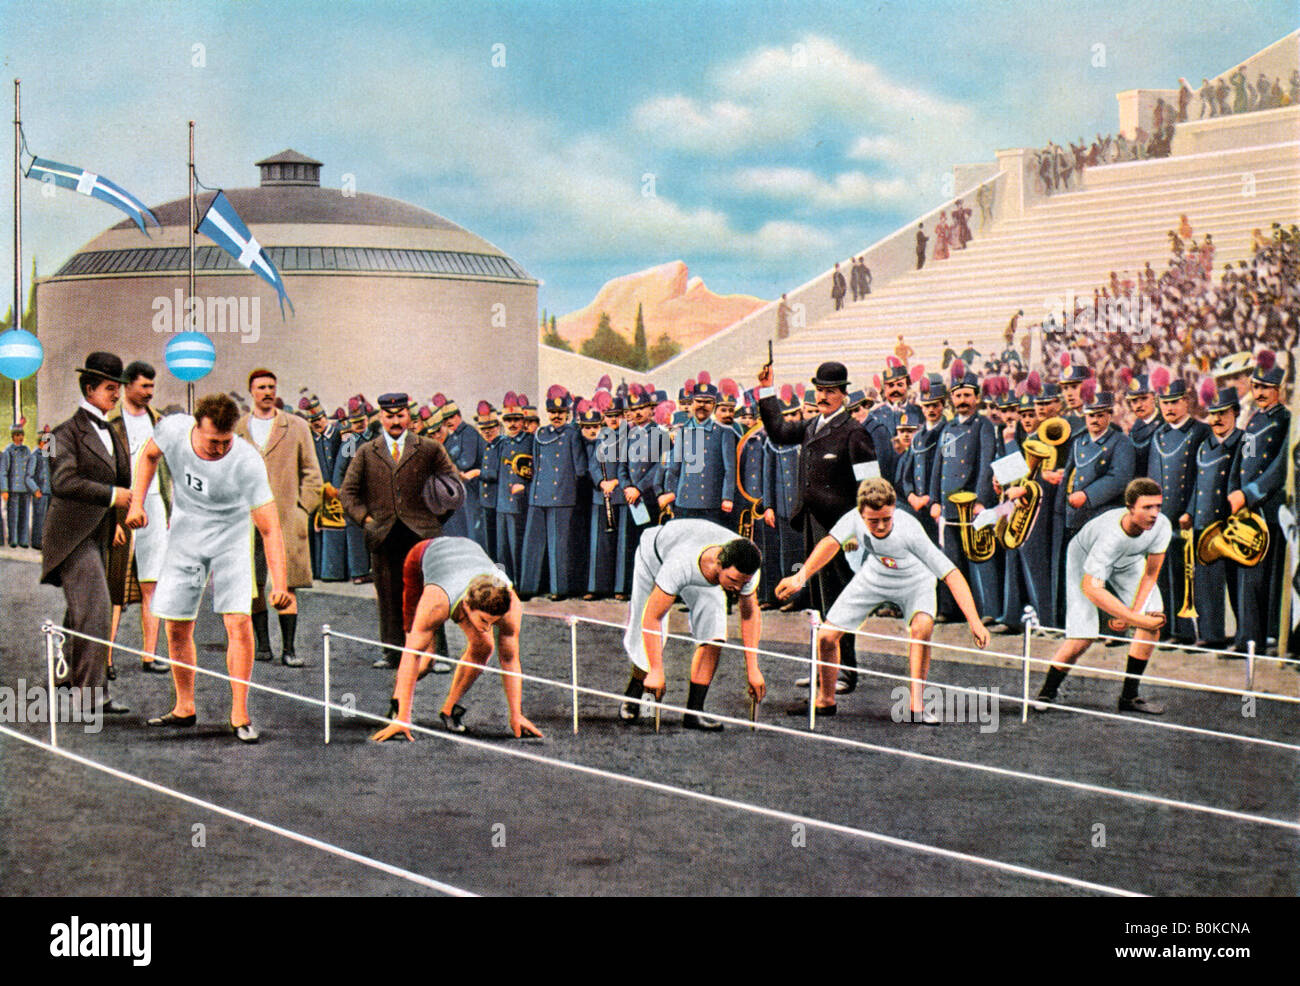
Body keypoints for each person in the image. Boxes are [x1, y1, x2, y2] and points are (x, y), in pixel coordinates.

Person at [127, 393, 292, 742]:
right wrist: (136, 502)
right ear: (196, 426)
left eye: (225, 441)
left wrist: (280, 582)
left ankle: (240, 714)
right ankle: (185, 706)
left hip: (231, 537)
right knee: (177, 626)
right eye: (211, 441)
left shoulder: (246, 461)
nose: (218, 448)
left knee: (238, 621)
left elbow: (269, 527)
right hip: (185, 534)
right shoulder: (173, 429)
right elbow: (148, 456)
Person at [776, 479, 988, 720]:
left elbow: (951, 574)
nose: (880, 526)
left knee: (922, 627)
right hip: (876, 574)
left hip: (916, 580)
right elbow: (830, 543)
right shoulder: (852, 518)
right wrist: (799, 577)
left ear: (894, 509)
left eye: (886, 519)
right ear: (861, 513)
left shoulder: (910, 529)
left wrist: (975, 621)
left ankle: (916, 707)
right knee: (826, 636)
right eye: (873, 521)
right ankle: (825, 701)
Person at [757, 360, 877, 692]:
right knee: (817, 602)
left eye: (830, 391)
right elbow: (779, 433)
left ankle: (845, 672)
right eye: (820, 390)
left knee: (840, 600)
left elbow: (872, 487)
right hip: (811, 524)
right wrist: (767, 390)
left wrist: (856, 530)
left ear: (843, 395)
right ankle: (824, 669)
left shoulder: (854, 433)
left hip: (840, 531)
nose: (823, 396)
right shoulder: (811, 426)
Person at [371, 536, 542, 742]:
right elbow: (412, 653)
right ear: (468, 606)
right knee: (425, 661)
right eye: (484, 621)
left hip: (468, 552)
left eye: (492, 622)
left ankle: (449, 710)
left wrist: (516, 714)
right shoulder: (437, 602)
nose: (487, 627)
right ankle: (398, 709)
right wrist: (404, 721)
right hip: (422, 556)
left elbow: (509, 659)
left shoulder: (511, 607)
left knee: (484, 647)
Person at [39, 351, 134, 716]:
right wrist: (113, 496)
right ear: (90, 388)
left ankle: (64, 676)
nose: (116, 394)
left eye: (118, 388)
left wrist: (118, 525)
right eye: (111, 388)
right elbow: (63, 482)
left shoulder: (111, 429)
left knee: (81, 608)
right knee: (94, 610)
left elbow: (120, 478)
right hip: (70, 536)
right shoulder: (63, 433)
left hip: (100, 532)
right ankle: (90, 698)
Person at [339, 392, 460, 668]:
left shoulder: (429, 448)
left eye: (400, 415)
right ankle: (393, 653)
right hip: (384, 534)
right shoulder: (367, 452)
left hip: (422, 535)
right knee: (389, 594)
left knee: (431, 593)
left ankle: (437, 655)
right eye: (389, 416)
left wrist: (436, 520)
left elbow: (453, 486)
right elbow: (348, 493)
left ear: (409, 416)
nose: (395, 421)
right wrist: (366, 520)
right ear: (381, 417)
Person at [1033, 478, 1171, 715]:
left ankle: (1129, 697)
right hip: (1084, 557)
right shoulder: (1110, 535)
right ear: (1130, 507)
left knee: (1152, 619)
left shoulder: (1162, 526)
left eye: (1157, 506)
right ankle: (1047, 690)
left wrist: (1134, 617)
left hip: (1128, 560)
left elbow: (1150, 575)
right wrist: (1134, 618)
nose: (1154, 514)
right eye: (1147, 507)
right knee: (1083, 637)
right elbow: (1092, 587)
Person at [619, 520, 764, 731]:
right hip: (654, 557)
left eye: (743, 583)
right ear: (719, 563)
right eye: (734, 580)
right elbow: (653, 617)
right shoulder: (680, 563)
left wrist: (753, 669)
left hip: (703, 569)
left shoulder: (746, 569)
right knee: (645, 630)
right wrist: (657, 670)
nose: (737, 587)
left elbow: (750, 616)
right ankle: (634, 694)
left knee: (715, 628)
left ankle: (694, 712)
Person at [235, 368, 323, 668]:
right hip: (247, 519)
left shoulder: (296, 426)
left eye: (271, 386)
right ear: (252, 392)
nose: (267, 392)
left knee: (287, 582)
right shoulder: (239, 429)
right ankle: (262, 646)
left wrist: (302, 508)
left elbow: (312, 474)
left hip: (286, 516)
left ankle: (289, 648)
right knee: (253, 581)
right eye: (260, 387)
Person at [105, 360, 172, 675]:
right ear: (127, 385)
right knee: (113, 585)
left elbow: (169, 471)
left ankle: (149, 655)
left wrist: (170, 510)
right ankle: (104, 659)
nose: (149, 392)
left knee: (152, 583)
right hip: (120, 507)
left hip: (155, 506)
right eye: (144, 386)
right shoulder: (110, 422)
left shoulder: (158, 421)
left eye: (152, 387)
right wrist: (111, 519)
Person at [1, 421, 34, 547]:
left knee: (24, 515)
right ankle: (13, 539)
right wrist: (4, 489)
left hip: (25, 488)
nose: (20, 438)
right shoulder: (8, 451)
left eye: (22, 435)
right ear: (13, 436)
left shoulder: (26, 450)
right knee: (13, 515)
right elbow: (3, 471)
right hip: (13, 488)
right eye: (18, 435)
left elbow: (31, 470)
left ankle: (23, 539)